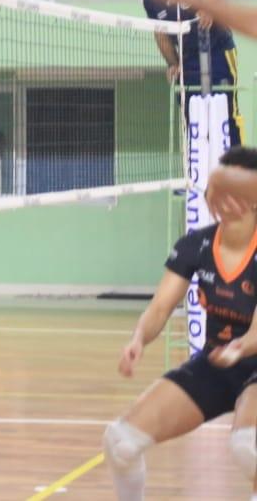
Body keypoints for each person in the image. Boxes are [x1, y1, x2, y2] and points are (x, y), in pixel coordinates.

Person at [103, 146, 257, 501]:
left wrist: (239, 349)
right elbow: (159, 308)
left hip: (250, 358)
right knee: (120, 442)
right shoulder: (195, 244)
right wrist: (138, 340)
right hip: (217, 362)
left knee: (248, 447)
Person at [138, 0, 243, 145]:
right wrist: (173, 63)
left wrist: (208, 10)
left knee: (227, 112)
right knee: (193, 117)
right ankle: (198, 173)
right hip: (189, 60)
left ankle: (239, 168)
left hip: (218, 51)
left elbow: (217, 0)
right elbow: (161, 34)